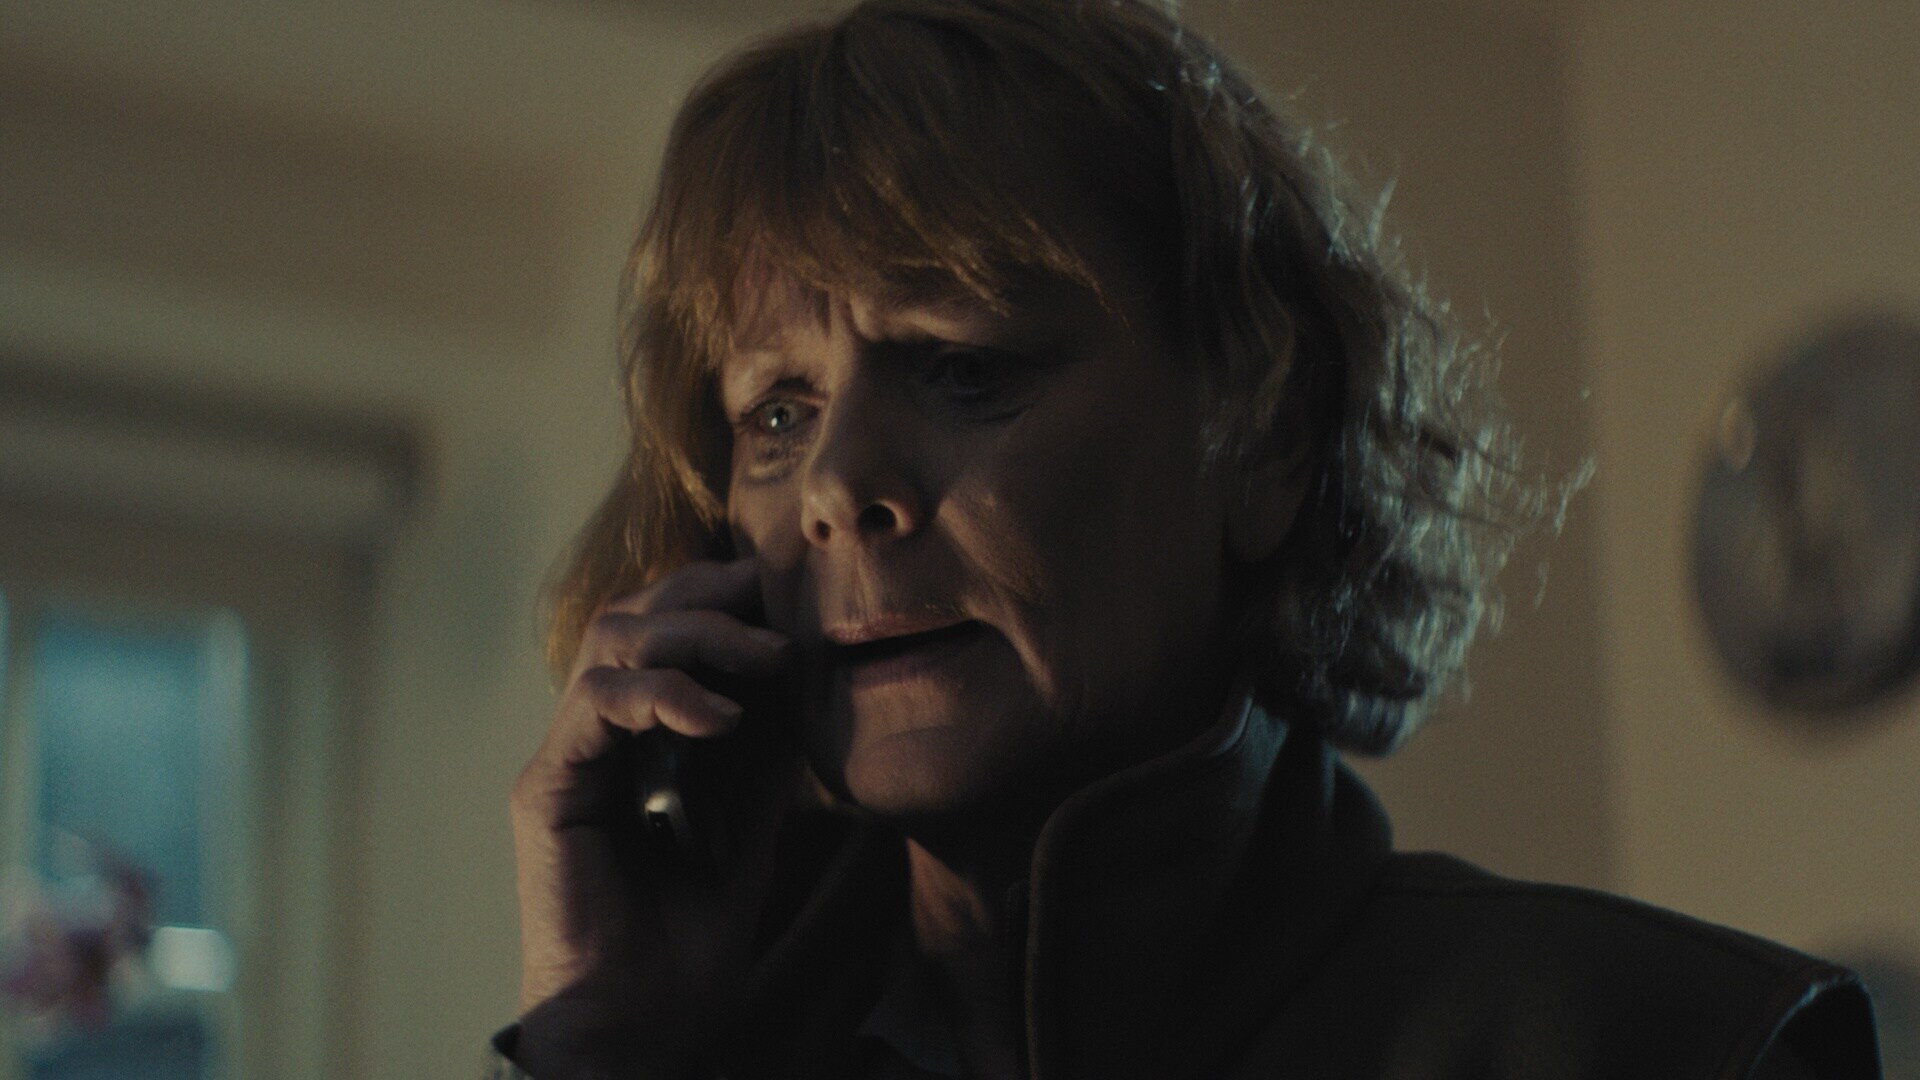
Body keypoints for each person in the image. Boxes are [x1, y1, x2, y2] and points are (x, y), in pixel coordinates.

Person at [495, 1, 1882, 1077]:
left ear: (1262, 441)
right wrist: (601, 1046)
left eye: (965, 369)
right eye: (777, 413)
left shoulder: (1665, 1047)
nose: (838, 484)